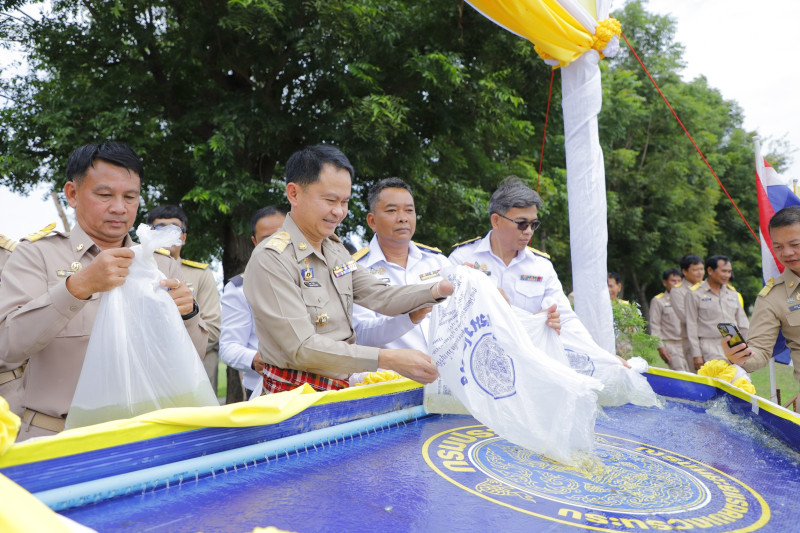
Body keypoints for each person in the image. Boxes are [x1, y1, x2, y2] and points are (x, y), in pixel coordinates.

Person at [0, 142, 208, 440]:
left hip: (145, 434)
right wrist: (77, 287)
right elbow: (7, 347)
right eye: (105, 195)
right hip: (58, 436)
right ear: (72, 194)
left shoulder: (159, 263)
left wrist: (188, 314)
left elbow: (192, 359)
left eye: (130, 197)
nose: (119, 208)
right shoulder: (37, 255)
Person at [242, 145, 452, 393]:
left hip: (340, 390)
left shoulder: (334, 249)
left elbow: (380, 295)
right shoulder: (272, 259)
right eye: (330, 200)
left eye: (345, 202)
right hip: (297, 398)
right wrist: (387, 359)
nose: (339, 212)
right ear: (294, 194)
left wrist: (437, 290)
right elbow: (302, 348)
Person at [352, 178, 452, 352]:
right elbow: (360, 334)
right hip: (395, 369)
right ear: (372, 221)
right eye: (392, 210)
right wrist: (409, 318)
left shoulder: (438, 261)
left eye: (409, 210)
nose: (403, 218)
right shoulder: (357, 270)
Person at [146, 205, 222, 393]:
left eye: (174, 229)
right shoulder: (135, 271)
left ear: (183, 237)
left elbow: (212, 329)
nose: (168, 234)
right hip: (147, 369)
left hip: (193, 372)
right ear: (149, 234)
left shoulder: (200, 274)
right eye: (160, 228)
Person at [726, 206, 800, 383]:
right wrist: (740, 356)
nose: (786, 253)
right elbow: (759, 350)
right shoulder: (772, 297)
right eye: (778, 246)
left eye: (795, 244)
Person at [220, 205, 286, 399]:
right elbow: (229, 347)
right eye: (267, 239)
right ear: (255, 242)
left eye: (282, 236)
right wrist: (254, 358)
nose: (275, 245)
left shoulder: (315, 277)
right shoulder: (240, 289)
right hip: (265, 388)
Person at [685, 255, 749, 367]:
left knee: (740, 377)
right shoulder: (695, 293)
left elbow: (743, 323)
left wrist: (746, 346)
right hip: (710, 347)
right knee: (717, 377)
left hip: (735, 345)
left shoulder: (732, 293)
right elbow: (691, 325)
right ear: (710, 270)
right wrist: (696, 354)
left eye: (729, 272)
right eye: (723, 271)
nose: (727, 275)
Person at [649, 268, 690, 371]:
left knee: (695, 374)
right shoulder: (658, 301)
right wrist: (660, 346)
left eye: (679, 281)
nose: (676, 284)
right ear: (665, 282)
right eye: (673, 281)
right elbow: (655, 326)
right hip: (672, 345)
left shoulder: (688, 298)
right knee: (681, 374)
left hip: (688, 343)